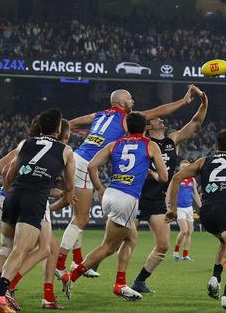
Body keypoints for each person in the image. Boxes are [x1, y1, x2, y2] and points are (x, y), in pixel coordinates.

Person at [56, 87, 195, 279]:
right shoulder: (125, 119)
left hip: (76, 157)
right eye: (130, 100)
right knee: (82, 219)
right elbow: (161, 110)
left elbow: (71, 123)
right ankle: (61, 263)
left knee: (77, 213)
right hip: (87, 164)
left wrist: (57, 131)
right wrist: (183, 101)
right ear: (122, 103)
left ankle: (76, 260)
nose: (133, 102)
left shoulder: (100, 114)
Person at [62, 112, 169, 301]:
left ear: (127, 127)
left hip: (110, 194)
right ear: (145, 128)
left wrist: (100, 189)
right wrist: (151, 172)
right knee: (109, 247)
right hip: (127, 198)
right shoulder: (150, 145)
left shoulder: (115, 144)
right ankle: (72, 277)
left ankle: (121, 284)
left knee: (131, 239)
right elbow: (164, 177)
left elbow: (92, 166)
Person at [0, 109, 75, 313]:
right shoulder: (65, 150)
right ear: (58, 129)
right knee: (21, 250)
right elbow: (70, 189)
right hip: (34, 200)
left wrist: (12, 191)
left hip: (13, 196)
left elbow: (7, 172)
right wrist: (61, 194)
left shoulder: (24, 143)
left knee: (8, 246)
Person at [132, 88, 207, 293]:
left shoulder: (171, 141)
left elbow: (195, 123)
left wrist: (204, 103)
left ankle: (139, 281)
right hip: (137, 197)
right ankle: (91, 268)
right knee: (123, 240)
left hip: (157, 201)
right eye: (157, 119)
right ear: (148, 126)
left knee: (163, 246)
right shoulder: (142, 142)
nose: (162, 120)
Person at [167, 129, 226, 311]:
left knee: (225, 241)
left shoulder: (203, 160)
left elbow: (177, 177)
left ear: (216, 146)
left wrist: (172, 209)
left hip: (206, 212)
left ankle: (215, 277)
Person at [172, 163, 201, 261]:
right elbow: (172, 193)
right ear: (180, 168)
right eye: (183, 167)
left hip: (189, 208)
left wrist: (201, 206)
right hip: (180, 208)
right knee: (184, 231)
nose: (185, 168)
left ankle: (185, 255)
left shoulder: (192, 179)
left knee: (189, 232)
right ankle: (176, 252)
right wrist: (171, 206)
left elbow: (195, 194)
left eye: (187, 167)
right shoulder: (177, 178)